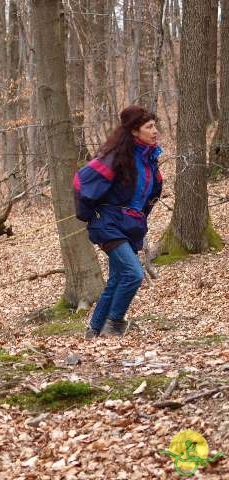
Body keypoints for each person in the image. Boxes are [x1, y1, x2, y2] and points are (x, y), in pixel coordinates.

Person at [74, 105, 163, 338]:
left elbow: (151, 196)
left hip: (129, 227)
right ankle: (113, 325)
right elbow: (82, 182)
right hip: (107, 224)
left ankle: (93, 331)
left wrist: (140, 219)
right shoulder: (116, 156)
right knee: (133, 274)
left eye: (155, 126)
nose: (155, 131)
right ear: (135, 131)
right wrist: (89, 215)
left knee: (116, 279)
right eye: (149, 127)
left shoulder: (150, 160)